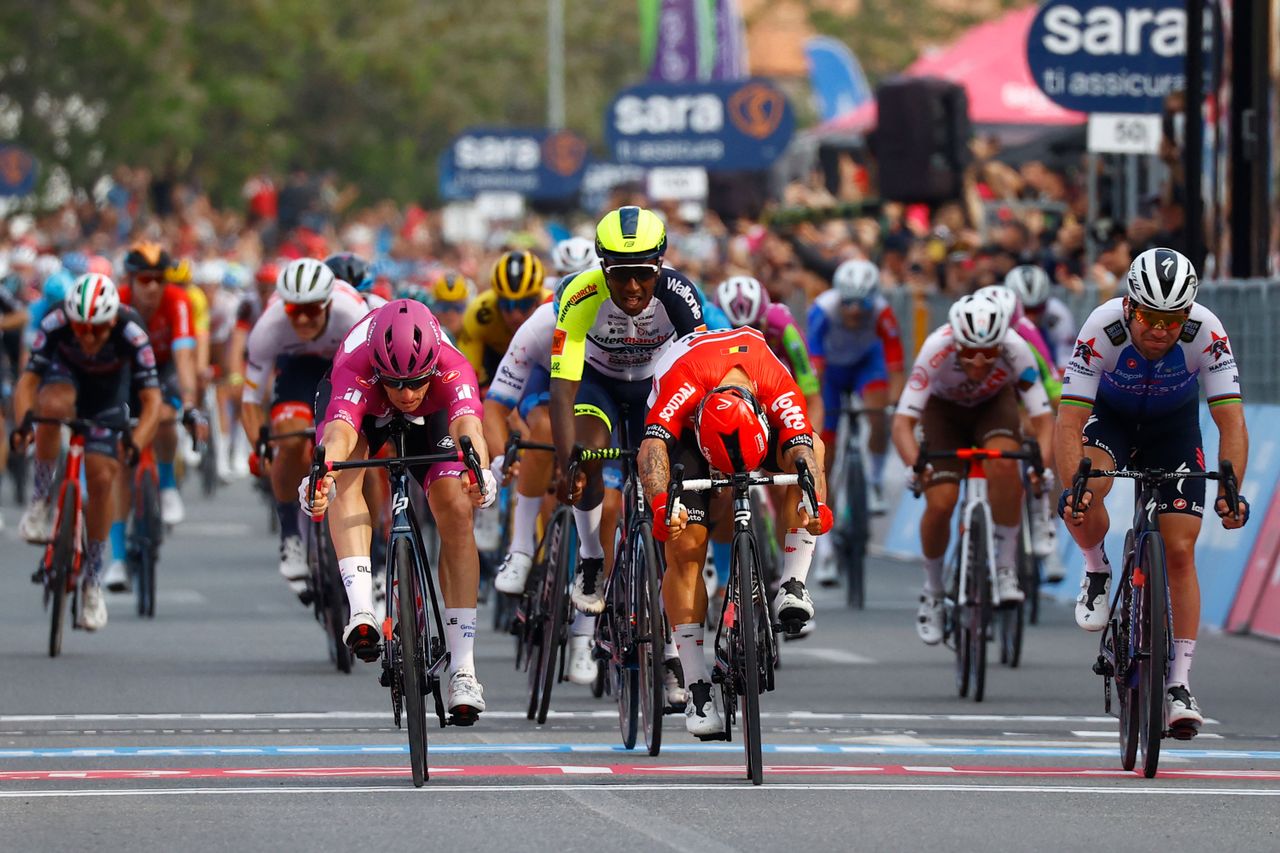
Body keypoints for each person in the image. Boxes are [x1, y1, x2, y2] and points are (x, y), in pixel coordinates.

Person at [1056, 247, 1249, 736]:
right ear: (1128, 306)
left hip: (1174, 429)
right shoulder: (1102, 327)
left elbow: (1230, 420)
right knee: (1085, 489)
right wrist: (1071, 487)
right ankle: (1097, 567)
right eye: (1148, 316)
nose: (1159, 329)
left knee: (1180, 548)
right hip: (1111, 423)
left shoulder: (1207, 330)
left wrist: (1231, 488)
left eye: (1171, 319)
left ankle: (1179, 684)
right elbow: (1070, 419)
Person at [302, 299, 495, 723]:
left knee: (457, 508)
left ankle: (463, 669)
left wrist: (478, 469)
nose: (407, 395)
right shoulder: (356, 362)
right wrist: (321, 476)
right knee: (343, 477)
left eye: (416, 383)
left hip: (436, 417)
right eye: (397, 383)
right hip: (361, 408)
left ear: (432, 368)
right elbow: (338, 433)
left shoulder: (451, 366)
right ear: (379, 369)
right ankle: (361, 610)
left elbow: (468, 428)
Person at [640, 326, 831, 737]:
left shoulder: (773, 381)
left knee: (811, 450)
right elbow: (652, 450)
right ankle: (695, 685)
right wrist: (662, 506)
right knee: (685, 543)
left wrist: (815, 503)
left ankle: (793, 583)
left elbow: (801, 448)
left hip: (748, 410)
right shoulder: (682, 379)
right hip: (689, 431)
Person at [550, 206, 707, 616]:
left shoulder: (679, 294)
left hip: (656, 388)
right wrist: (569, 462)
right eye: (619, 274)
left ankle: (669, 637)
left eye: (643, 273)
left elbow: (703, 372)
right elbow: (562, 388)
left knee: (667, 477)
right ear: (602, 267)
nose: (633, 286)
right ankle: (590, 559)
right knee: (587, 452)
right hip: (597, 384)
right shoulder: (581, 294)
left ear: (660, 265)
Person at [892, 292, 1055, 645]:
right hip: (943, 413)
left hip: (993, 408)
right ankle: (934, 591)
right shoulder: (937, 347)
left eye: (989, 353)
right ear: (956, 341)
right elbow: (903, 422)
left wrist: (1040, 466)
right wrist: (913, 466)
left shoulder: (1015, 347)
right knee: (941, 502)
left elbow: (1043, 421)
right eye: (969, 353)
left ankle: (1006, 566)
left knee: (1004, 465)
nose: (979, 362)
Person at [12, 274, 162, 630]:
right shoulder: (55, 321)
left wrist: (135, 442)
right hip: (65, 378)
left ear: (112, 320)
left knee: (101, 474)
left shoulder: (132, 331)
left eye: (98, 329)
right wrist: (23, 426)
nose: (89, 337)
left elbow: (151, 401)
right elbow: (28, 382)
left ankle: (93, 580)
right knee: (50, 408)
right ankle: (40, 502)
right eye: (82, 329)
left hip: (110, 395)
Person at [240, 257, 368, 597]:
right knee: (291, 439)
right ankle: (291, 537)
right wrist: (260, 447)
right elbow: (250, 402)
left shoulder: (352, 314)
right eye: (296, 310)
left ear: (328, 303)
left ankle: (378, 550)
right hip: (296, 370)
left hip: (344, 364)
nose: (305, 319)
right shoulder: (269, 327)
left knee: (362, 450)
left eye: (313, 310)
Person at [117, 241, 206, 528]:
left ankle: (167, 483)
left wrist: (190, 404)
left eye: (160, 279)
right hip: (127, 368)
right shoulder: (118, 300)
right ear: (131, 280)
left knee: (167, 417)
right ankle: (117, 559)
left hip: (164, 366)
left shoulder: (178, 301)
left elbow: (183, 358)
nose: (153, 287)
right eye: (145, 279)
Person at [806, 259, 904, 514]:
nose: (855, 311)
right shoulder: (822, 309)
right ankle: (826, 499)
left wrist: (894, 404)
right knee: (826, 440)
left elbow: (895, 365)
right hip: (831, 370)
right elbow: (815, 367)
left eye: (864, 304)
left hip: (866, 365)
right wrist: (818, 405)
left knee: (878, 416)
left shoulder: (883, 312)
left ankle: (874, 481)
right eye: (848, 302)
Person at [457, 250, 549, 388]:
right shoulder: (479, 313)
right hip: (495, 362)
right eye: (506, 304)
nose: (515, 314)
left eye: (525, 304)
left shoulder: (552, 308)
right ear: (496, 299)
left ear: (538, 300)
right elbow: (465, 375)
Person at [1004, 264, 1076, 369]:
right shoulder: (1003, 315)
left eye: (1037, 309)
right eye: (1025, 310)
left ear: (1046, 302)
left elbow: (1065, 362)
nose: (1031, 318)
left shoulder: (1058, 314)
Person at [428, 272, 474, 340]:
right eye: (444, 306)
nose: (450, 312)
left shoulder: (477, 335)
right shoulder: (428, 338)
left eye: (457, 306)